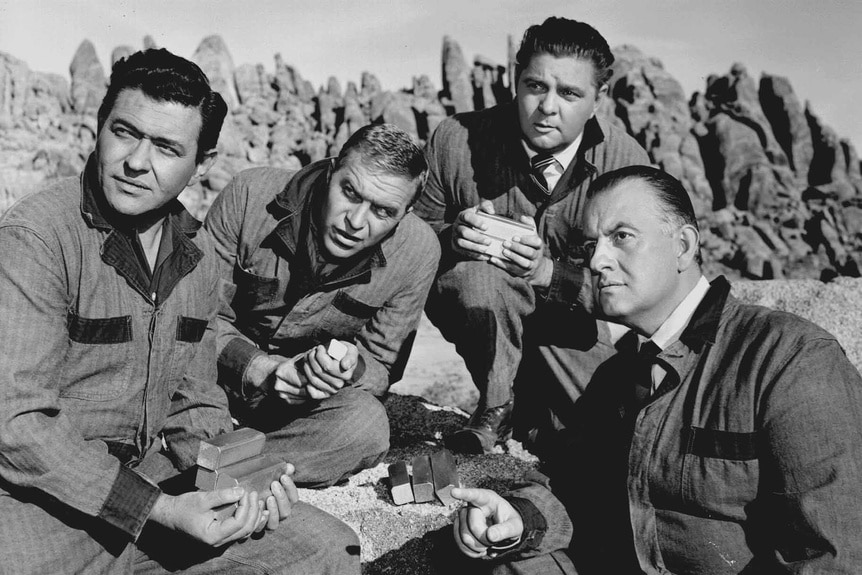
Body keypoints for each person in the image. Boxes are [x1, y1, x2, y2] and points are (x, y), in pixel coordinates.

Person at [0, 48, 359, 574]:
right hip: (43, 499)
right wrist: (158, 510)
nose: (137, 162)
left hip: (155, 480)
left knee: (324, 549)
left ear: (202, 163)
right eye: (124, 132)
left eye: (167, 147)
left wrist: (239, 479)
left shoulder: (199, 258)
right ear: (98, 129)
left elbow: (194, 400)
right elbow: (16, 423)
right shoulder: (36, 239)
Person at [451, 166, 862, 573]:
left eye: (621, 237)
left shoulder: (789, 358)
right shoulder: (615, 376)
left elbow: (833, 552)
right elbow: (579, 490)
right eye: (591, 244)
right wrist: (521, 516)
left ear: (683, 246)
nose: (596, 260)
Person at [414, 16, 650, 453]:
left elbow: (644, 286)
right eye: (536, 86)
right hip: (483, 309)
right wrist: (453, 237)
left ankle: (531, 413)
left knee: (602, 437)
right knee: (477, 279)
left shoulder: (626, 164)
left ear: (598, 99)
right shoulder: (453, 141)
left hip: (574, 324)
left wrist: (546, 272)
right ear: (514, 81)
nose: (547, 106)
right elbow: (409, 241)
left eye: (570, 93)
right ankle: (497, 407)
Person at [206, 123, 439, 487]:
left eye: (383, 212)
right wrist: (261, 369)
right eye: (349, 192)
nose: (355, 222)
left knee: (366, 425)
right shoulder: (250, 194)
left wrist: (350, 365)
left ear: (405, 215)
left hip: (300, 409)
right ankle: (207, 461)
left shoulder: (419, 252)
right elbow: (193, 318)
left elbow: (383, 367)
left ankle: (219, 472)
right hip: (210, 376)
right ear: (330, 171)